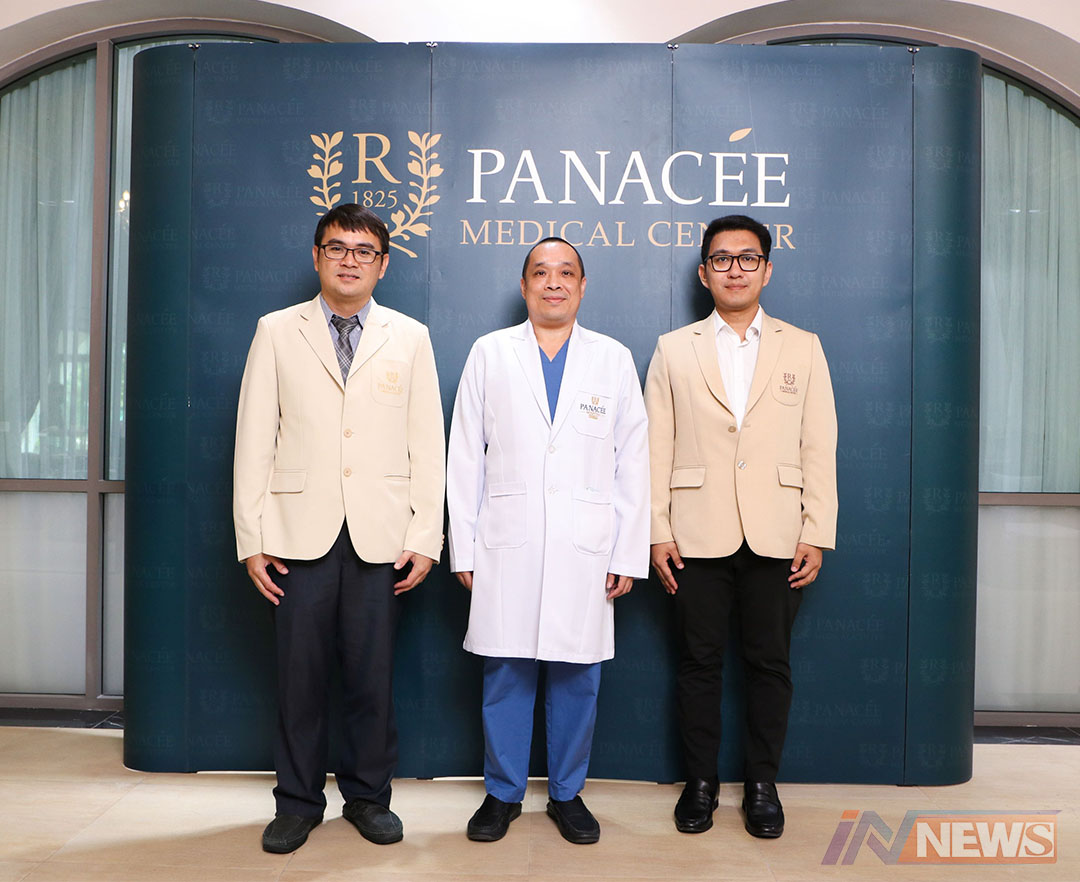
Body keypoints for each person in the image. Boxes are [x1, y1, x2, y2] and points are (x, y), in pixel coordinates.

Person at [233, 203, 445, 853]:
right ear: (317, 256)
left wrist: (425, 537)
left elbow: (427, 444)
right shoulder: (276, 330)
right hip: (296, 533)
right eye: (337, 248)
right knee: (299, 681)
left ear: (383, 264)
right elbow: (254, 439)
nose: (349, 260)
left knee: (371, 680)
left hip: (382, 536)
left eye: (363, 251)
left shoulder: (410, 336)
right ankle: (297, 803)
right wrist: (252, 539)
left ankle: (369, 798)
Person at [446, 238, 649, 844]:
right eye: (541, 273)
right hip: (506, 541)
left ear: (582, 286)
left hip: (587, 543)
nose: (553, 283)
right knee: (506, 668)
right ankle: (502, 793)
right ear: (524, 285)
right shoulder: (490, 353)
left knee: (577, 673)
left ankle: (567, 794)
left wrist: (626, 551)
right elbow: (464, 457)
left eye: (566, 273)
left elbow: (633, 462)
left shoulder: (612, 359)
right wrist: (464, 548)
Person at [644, 214, 837, 839]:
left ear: (767, 270)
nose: (735, 269)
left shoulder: (803, 346)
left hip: (778, 532)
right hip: (694, 533)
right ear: (704, 273)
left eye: (747, 258)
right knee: (697, 664)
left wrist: (816, 530)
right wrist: (657, 529)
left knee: (769, 665)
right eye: (721, 259)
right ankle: (699, 786)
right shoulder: (674, 348)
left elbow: (819, 445)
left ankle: (761, 786)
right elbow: (655, 446)